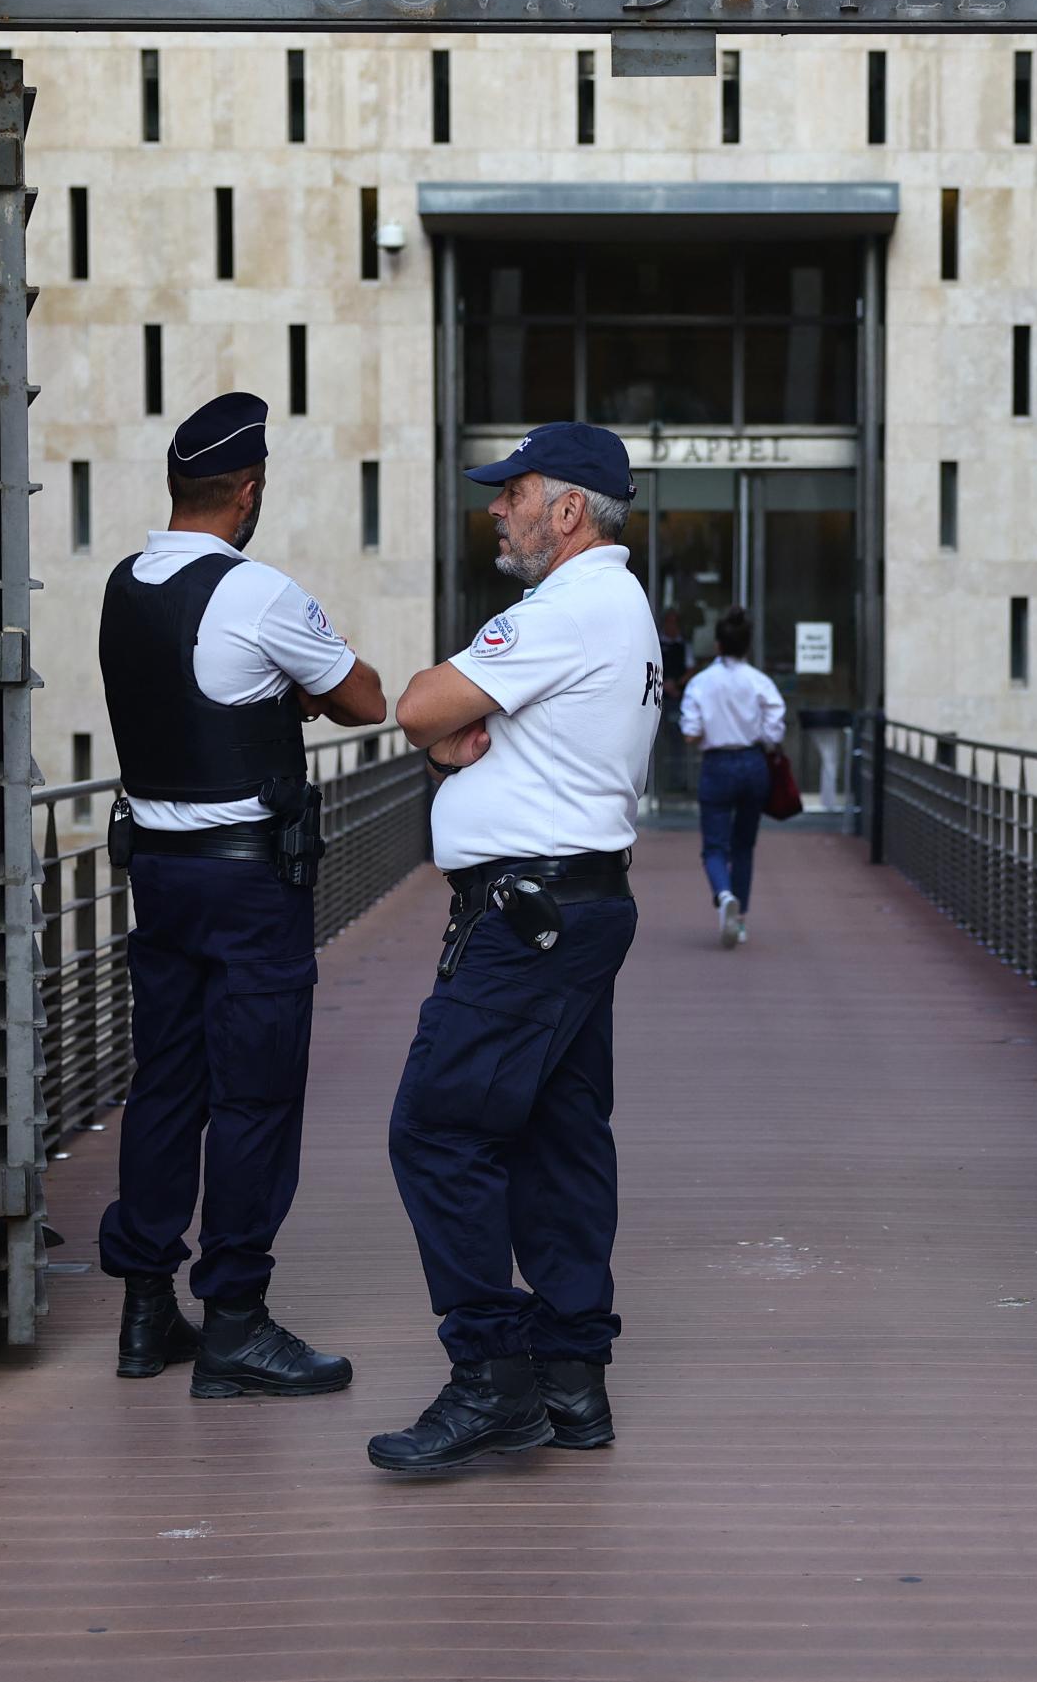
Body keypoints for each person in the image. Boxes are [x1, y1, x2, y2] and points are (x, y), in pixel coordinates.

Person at [369, 421, 661, 1474]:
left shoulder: (570, 606)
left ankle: (490, 1376)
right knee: (560, 1137)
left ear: (568, 510)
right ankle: (573, 1381)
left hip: (527, 921)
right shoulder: (613, 607)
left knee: (437, 1132)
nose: (497, 506)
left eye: (515, 491)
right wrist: (455, 740)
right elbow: (453, 727)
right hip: (575, 907)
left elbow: (419, 705)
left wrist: (440, 731)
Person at [94, 391, 386, 1400]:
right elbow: (365, 698)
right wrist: (297, 683)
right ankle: (235, 1322)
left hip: (158, 877)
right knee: (255, 1095)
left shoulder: (124, 585)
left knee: (166, 1083)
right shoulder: (257, 594)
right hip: (247, 882)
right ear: (248, 492)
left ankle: (143, 1311)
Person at [677, 608, 788, 947]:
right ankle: (739, 921)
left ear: (718, 645)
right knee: (744, 845)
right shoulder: (759, 681)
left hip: (717, 765)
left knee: (714, 845)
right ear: (747, 646)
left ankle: (724, 895)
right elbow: (775, 727)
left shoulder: (701, 682)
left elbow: (690, 733)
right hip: (753, 763)